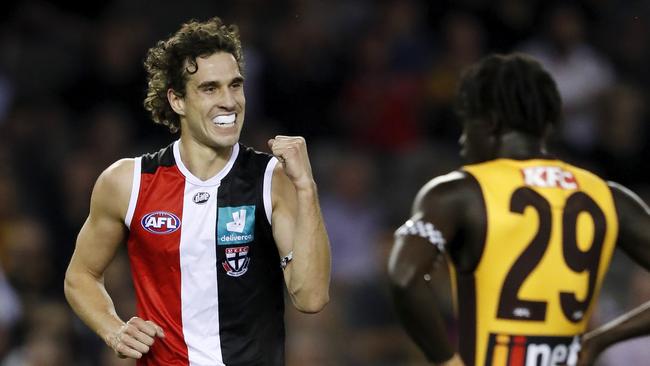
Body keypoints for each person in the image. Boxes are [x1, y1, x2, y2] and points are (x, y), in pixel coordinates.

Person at [64, 17, 331, 366]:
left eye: (235, 86)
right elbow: (80, 276)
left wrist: (307, 188)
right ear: (176, 100)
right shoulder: (128, 182)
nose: (229, 101)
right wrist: (113, 329)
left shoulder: (272, 179)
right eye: (210, 88)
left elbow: (310, 297)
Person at [388, 53, 650, 366]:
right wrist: (600, 339)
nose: (462, 139)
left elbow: (404, 277)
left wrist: (446, 361)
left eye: (467, 123)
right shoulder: (608, 197)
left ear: (490, 123)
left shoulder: (459, 192)